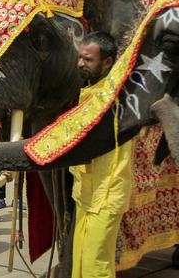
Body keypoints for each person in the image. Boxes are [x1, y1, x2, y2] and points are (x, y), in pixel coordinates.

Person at [70, 32, 130, 278]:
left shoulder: (113, 96)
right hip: (85, 191)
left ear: (107, 62)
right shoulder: (90, 89)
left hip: (106, 192)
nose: (80, 64)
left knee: (97, 266)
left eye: (88, 60)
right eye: (80, 58)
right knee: (80, 262)